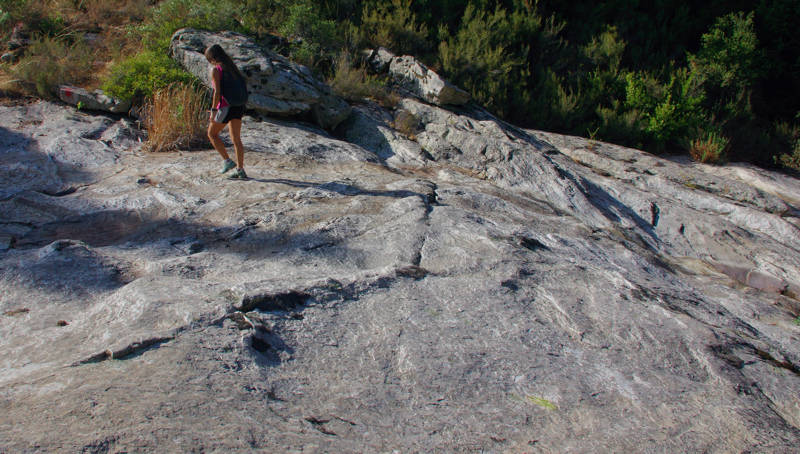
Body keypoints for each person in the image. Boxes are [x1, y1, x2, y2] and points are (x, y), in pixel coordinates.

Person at [205, 44, 248, 180]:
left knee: (212, 134)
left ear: (212, 58)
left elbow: (217, 92)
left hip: (226, 107)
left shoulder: (216, 70)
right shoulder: (233, 68)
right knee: (236, 139)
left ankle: (227, 161)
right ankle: (240, 170)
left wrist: (213, 110)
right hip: (239, 106)